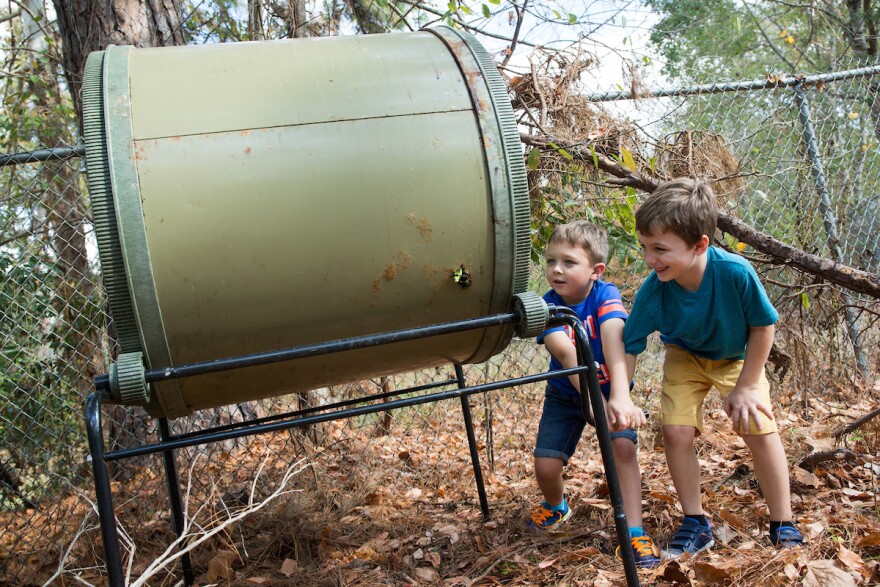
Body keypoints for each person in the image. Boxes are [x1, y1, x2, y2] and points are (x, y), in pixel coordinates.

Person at [623, 177, 804, 559]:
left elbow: (763, 326)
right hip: (684, 356)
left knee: (757, 425)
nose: (649, 259)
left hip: (736, 357)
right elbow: (631, 344)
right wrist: (621, 395)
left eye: (659, 249)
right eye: (644, 247)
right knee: (675, 433)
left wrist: (748, 385)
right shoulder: (655, 289)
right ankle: (695, 522)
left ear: (699, 244)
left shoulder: (735, 273)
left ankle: (783, 522)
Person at [530, 220, 660, 569]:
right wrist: (591, 400)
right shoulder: (547, 306)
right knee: (545, 464)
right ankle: (557, 504)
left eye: (569, 262)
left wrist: (619, 396)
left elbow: (616, 340)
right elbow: (568, 355)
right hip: (566, 393)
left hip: (611, 387)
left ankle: (634, 531)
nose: (556, 269)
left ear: (595, 270)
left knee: (622, 448)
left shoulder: (606, 295)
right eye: (550, 260)